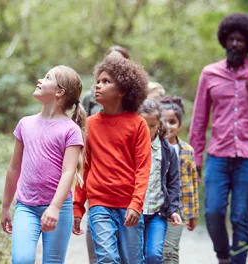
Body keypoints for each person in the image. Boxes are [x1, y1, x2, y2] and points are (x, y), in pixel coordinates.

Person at [190, 13, 248, 264]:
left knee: (241, 216)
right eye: (231, 39)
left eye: (240, 40)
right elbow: (200, 119)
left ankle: (238, 261)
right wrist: (196, 157)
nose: (235, 44)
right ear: (224, 40)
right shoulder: (209, 73)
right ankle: (223, 256)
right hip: (218, 155)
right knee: (213, 211)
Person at [0, 65, 86, 264]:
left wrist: (54, 208)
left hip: (60, 208)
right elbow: (14, 167)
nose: (40, 80)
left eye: (47, 78)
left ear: (59, 92)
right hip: (26, 207)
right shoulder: (25, 124)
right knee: (21, 260)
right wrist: (5, 207)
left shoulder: (70, 130)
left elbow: (68, 172)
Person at [72, 55, 151, 264]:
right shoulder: (89, 125)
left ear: (123, 90)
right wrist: (78, 206)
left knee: (133, 260)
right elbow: (84, 168)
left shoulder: (138, 124)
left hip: (129, 204)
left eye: (106, 81)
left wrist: (136, 204)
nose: (98, 86)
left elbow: (143, 168)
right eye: (98, 81)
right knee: (107, 258)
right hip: (100, 204)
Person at [80, 44, 131, 264]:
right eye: (108, 60)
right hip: (97, 171)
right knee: (99, 237)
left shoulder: (132, 101)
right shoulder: (91, 97)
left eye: (118, 61)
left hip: (124, 178)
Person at [140, 99, 182, 264]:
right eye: (143, 124)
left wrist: (173, 209)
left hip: (158, 213)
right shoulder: (129, 147)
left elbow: (173, 183)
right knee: (136, 256)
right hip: (135, 213)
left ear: (159, 125)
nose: (147, 130)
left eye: (152, 126)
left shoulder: (168, 151)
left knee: (154, 255)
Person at [160, 96, 199, 264]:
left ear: (179, 125)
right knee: (154, 251)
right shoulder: (152, 148)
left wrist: (193, 213)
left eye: (172, 122)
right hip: (157, 208)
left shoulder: (187, 151)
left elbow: (192, 183)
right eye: (164, 121)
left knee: (170, 251)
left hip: (179, 209)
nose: (168, 126)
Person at [81, 45, 130, 116]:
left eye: (118, 61)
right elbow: (81, 124)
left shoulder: (134, 98)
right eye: (109, 61)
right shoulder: (89, 98)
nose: (113, 65)